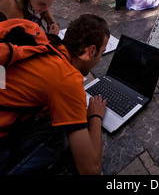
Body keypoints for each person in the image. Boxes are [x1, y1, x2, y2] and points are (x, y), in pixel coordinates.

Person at [0, 13, 109, 175]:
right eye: (102, 52)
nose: (100, 58)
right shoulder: (67, 79)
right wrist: (95, 117)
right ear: (91, 51)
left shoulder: (46, 43)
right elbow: (90, 170)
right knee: (58, 137)